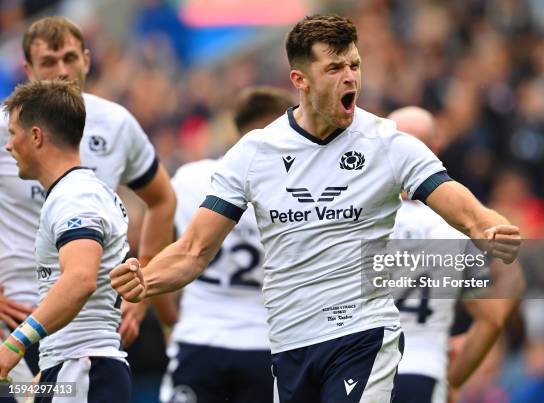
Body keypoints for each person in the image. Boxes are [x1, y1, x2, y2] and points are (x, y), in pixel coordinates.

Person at [111, 14, 520, 403]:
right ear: (300, 80)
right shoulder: (256, 153)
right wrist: (146, 278)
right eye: (335, 68)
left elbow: (457, 202)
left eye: (355, 65)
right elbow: (193, 251)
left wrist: (486, 226)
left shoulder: (387, 143)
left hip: (362, 334)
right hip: (289, 343)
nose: (350, 77)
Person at [0, 15, 177, 389]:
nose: (62, 70)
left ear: (86, 59)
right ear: (28, 68)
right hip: (16, 313)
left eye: (69, 58)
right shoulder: (6, 128)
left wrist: (143, 284)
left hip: (85, 328)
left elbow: (162, 200)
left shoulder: (114, 124)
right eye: (49, 62)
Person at [159, 86, 294, 403]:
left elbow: (157, 256)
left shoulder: (190, 178)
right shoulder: (298, 191)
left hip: (199, 338)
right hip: (267, 345)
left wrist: (170, 323)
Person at [0, 79, 131, 402]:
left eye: (12, 134)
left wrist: (14, 345)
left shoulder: (75, 196)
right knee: (10, 395)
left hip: (84, 367)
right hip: (72, 369)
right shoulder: (81, 191)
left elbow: (81, 279)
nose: (8, 146)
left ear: (35, 136)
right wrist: (47, 376)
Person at [388, 106, 523, 403]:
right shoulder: (455, 229)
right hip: (424, 370)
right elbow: (492, 318)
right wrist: (453, 379)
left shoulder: (358, 220)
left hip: (363, 371)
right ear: (435, 152)